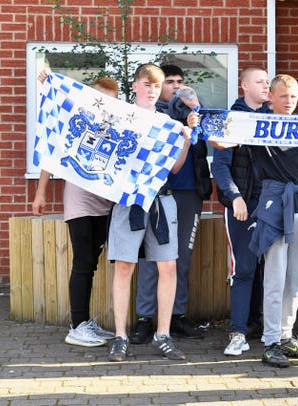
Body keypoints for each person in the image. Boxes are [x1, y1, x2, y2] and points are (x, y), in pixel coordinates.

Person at [106, 63, 198, 362]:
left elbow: (175, 168)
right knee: (124, 266)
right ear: (135, 86)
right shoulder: (121, 117)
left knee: (168, 266)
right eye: (146, 84)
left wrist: (185, 140)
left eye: (156, 86)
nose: (151, 90)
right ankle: (120, 336)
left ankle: (164, 334)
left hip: (161, 200)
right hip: (129, 201)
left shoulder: (167, 122)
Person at [32, 72, 118, 347]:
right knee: (83, 262)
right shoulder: (75, 122)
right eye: (100, 98)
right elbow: (52, 153)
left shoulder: (116, 123)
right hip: (80, 203)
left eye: (111, 100)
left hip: (106, 205)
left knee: (91, 262)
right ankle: (77, 326)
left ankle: (84, 322)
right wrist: (41, 193)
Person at [129, 64, 211, 344]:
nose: (176, 86)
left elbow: (208, 136)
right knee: (151, 258)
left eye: (180, 81)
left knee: (181, 259)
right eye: (169, 82)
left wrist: (196, 106)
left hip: (189, 191)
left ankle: (176, 316)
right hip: (158, 192)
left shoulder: (191, 111)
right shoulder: (150, 114)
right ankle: (144, 318)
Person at [211, 67, 270, 356]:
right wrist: (235, 197)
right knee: (244, 268)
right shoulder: (230, 120)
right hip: (241, 207)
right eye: (260, 81)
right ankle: (238, 332)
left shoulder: (272, 119)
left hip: (268, 205)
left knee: (265, 268)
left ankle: (258, 325)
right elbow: (219, 165)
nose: (265, 86)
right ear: (244, 85)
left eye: (267, 81)